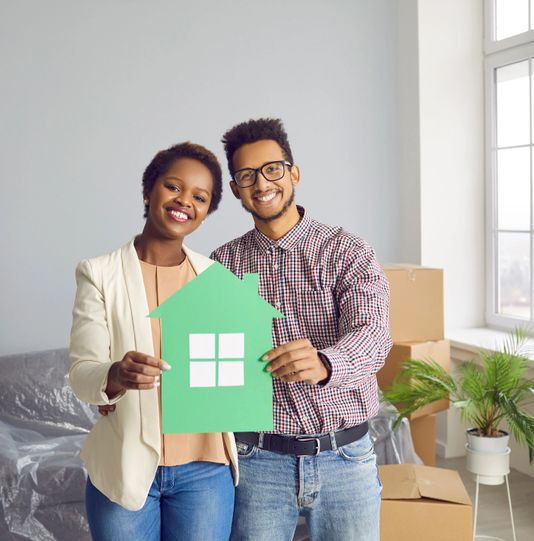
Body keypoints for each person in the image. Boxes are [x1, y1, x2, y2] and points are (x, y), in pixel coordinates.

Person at [211, 117, 391, 541]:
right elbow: (204, 357)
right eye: (247, 175)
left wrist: (327, 362)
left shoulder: (347, 249)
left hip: (345, 456)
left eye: (272, 169)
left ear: (294, 172)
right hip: (257, 461)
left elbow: (374, 334)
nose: (261, 183)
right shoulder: (222, 266)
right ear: (236, 189)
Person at [68, 142, 237, 541]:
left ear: (206, 212)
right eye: (173, 187)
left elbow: (229, 366)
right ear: (149, 191)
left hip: (205, 469)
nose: (185, 202)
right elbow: (81, 374)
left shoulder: (214, 278)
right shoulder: (99, 273)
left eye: (200, 197)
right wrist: (115, 375)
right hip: (127, 465)